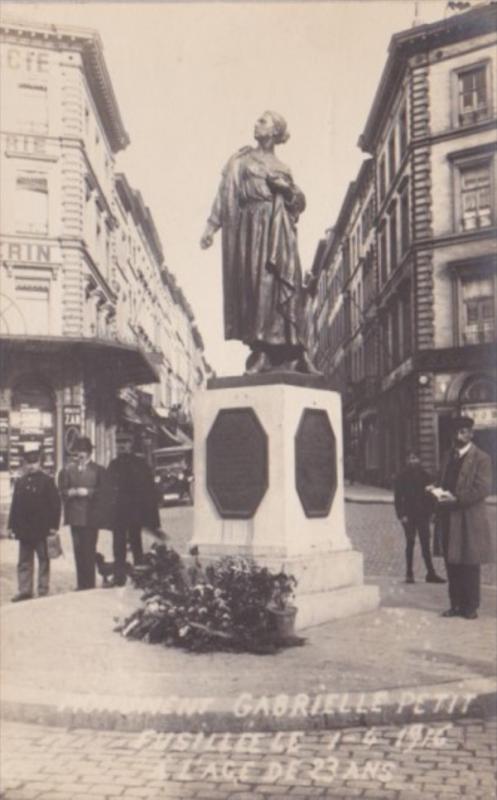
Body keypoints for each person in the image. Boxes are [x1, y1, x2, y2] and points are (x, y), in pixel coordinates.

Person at [200, 110, 318, 375]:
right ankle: (262, 351)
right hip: (252, 229)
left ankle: (297, 352)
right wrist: (211, 225)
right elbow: (225, 194)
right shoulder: (240, 160)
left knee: (287, 287)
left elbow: (299, 204)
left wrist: (287, 190)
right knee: (258, 287)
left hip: (280, 231)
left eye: (262, 121)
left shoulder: (284, 168)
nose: (256, 124)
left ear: (275, 131)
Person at [431, 416, 494, 619]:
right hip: (448, 517)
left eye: (464, 431)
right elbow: (442, 478)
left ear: (470, 434)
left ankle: (471, 607)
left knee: (469, 563)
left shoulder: (482, 458)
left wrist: (456, 498)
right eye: (457, 431)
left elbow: (483, 489)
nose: (460, 435)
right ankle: (455, 605)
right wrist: (436, 489)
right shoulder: (448, 456)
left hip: (468, 518)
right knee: (452, 562)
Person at [7, 448, 61, 602]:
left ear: (40, 463)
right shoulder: (20, 482)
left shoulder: (47, 481)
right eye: (28, 463)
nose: (31, 466)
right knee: (24, 561)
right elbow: (15, 506)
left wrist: (53, 527)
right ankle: (25, 590)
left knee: (43, 559)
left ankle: (43, 589)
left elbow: (55, 505)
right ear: (24, 465)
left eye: (34, 463)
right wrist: (11, 527)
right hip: (24, 530)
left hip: (42, 529)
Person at [106, 436, 161, 586]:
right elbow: (107, 490)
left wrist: (151, 517)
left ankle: (140, 575)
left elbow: (149, 491)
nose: (121, 445)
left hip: (135, 512)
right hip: (118, 513)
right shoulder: (113, 465)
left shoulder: (140, 464)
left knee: (136, 544)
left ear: (131, 444)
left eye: (125, 442)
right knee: (118, 545)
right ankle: (119, 576)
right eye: (119, 442)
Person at [58, 436, 105, 590]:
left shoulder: (98, 470)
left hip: (91, 517)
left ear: (90, 453)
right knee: (78, 551)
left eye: (84, 451)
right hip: (74, 517)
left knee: (89, 550)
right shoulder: (67, 470)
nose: (81, 454)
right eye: (78, 451)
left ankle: (89, 584)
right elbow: (61, 491)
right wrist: (69, 492)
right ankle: (81, 584)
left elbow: (104, 492)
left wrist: (88, 492)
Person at [394, 452, 445, 584]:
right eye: (410, 458)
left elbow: (432, 495)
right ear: (406, 460)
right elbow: (397, 498)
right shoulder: (401, 476)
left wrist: (432, 512)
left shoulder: (425, 475)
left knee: (425, 545)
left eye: (415, 458)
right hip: (408, 515)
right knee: (410, 543)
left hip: (423, 515)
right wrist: (401, 515)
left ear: (419, 460)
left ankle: (431, 573)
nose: (413, 461)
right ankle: (409, 573)